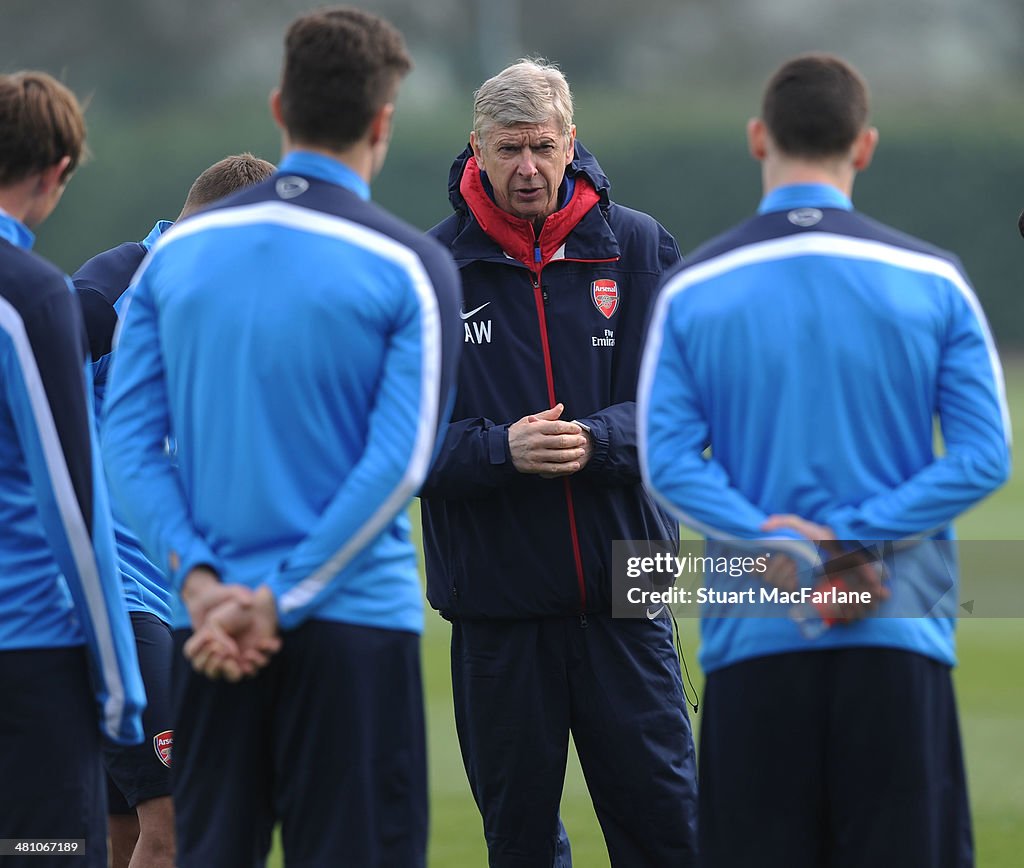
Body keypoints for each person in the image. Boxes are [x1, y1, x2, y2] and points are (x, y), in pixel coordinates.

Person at [101, 8, 461, 866]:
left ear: (278, 108)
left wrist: (199, 583)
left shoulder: (176, 257)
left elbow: (125, 441)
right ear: (382, 122)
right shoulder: (413, 262)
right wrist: (286, 596)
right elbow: (400, 460)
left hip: (212, 628)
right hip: (352, 626)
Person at [638, 53, 1011, 868]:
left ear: (757, 138)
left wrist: (792, 549)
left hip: (756, 643)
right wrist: (854, 545)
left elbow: (665, 462)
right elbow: (985, 457)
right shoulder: (934, 281)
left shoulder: (693, 287)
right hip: (896, 636)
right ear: (865, 146)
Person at [420, 58, 698, 867]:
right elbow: (398, 447)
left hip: (628, 597)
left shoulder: (639, 248)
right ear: (476, 148)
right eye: (509, 150)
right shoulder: (431, 270)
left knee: (668, 833)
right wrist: (501, 449)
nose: (529, 168)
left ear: (572, 141)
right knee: (521, 845)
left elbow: (685, 416)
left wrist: (599, 440)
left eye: (543, 147)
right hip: (499, 610)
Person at [71, 152, 275, 868]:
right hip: (119, 599)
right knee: (179, 819)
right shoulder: (103, 296)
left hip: (194, 596)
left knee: (120, 831)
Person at [0, 70, 145, 867]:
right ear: (56, 171)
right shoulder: (31, 296)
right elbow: (70, 503)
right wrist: (121, 688)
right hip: (28, 664)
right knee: (43, 854)